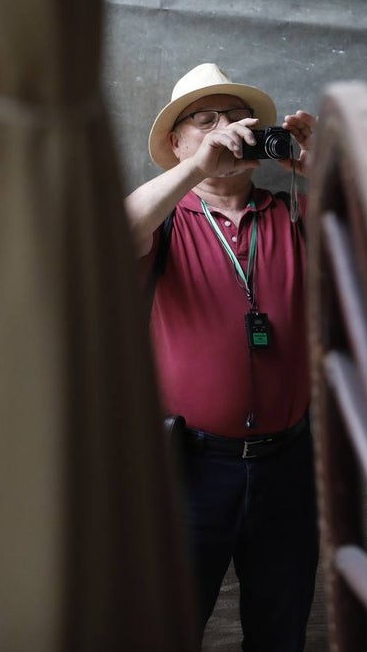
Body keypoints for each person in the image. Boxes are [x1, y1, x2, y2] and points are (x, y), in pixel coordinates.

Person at [125, 62, 319, 651]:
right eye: (203, 122)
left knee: (280, 633)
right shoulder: (165, 219)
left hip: (289, 462)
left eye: (237, 119)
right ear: (177, 144)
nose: (223, 129)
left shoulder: (294, 214)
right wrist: (196, 171)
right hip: (186, 466)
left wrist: (320, 167)